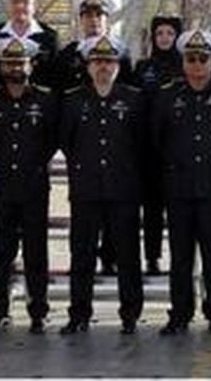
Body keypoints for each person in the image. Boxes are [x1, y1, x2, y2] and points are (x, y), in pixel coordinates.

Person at [152, 29, 211, 337]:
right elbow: (156, 140)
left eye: (203, 59)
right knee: (180, 257)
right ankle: (180, 314)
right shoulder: (168, 96)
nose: (197, 65)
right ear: (183, 62)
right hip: (179, 188)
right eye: (191, 59)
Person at [58, 34, 146, 335]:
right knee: (82, 255)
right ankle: (79, 314)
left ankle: (130, 314)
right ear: (88, 66)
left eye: (109, 61)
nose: (103, 67)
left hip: (123, 189)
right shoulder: (73, 100)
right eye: (97, 62)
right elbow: (67, 142)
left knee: (127, 255)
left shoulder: (133, 99)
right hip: (86, 188)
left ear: (118, 65)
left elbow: (142, 143)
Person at [0, 38, 58, 336]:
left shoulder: (46, 100)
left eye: (21, 63)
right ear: (1, 67)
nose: (15, 68)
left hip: (34, 185)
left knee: (36, 252)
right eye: (9, 63)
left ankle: (38, 312)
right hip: (2, 187)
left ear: (31, 65)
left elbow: (51, 141)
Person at [132, 14, 184, 275]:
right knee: (151, 207)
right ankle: (152, 257)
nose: (164, 38)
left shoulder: (186, 66)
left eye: (170, 33)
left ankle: (180, 259)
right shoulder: (144, 67)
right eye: (160, 33)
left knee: (178, 208)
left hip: (178, 146)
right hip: (149, 148)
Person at [50, 0, 135, 93]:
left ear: (107, 20)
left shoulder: (120, 51)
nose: (94, 20)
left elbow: (127, 89)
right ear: (80, 20)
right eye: (88, 15)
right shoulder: (69, 53)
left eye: (99, 15)